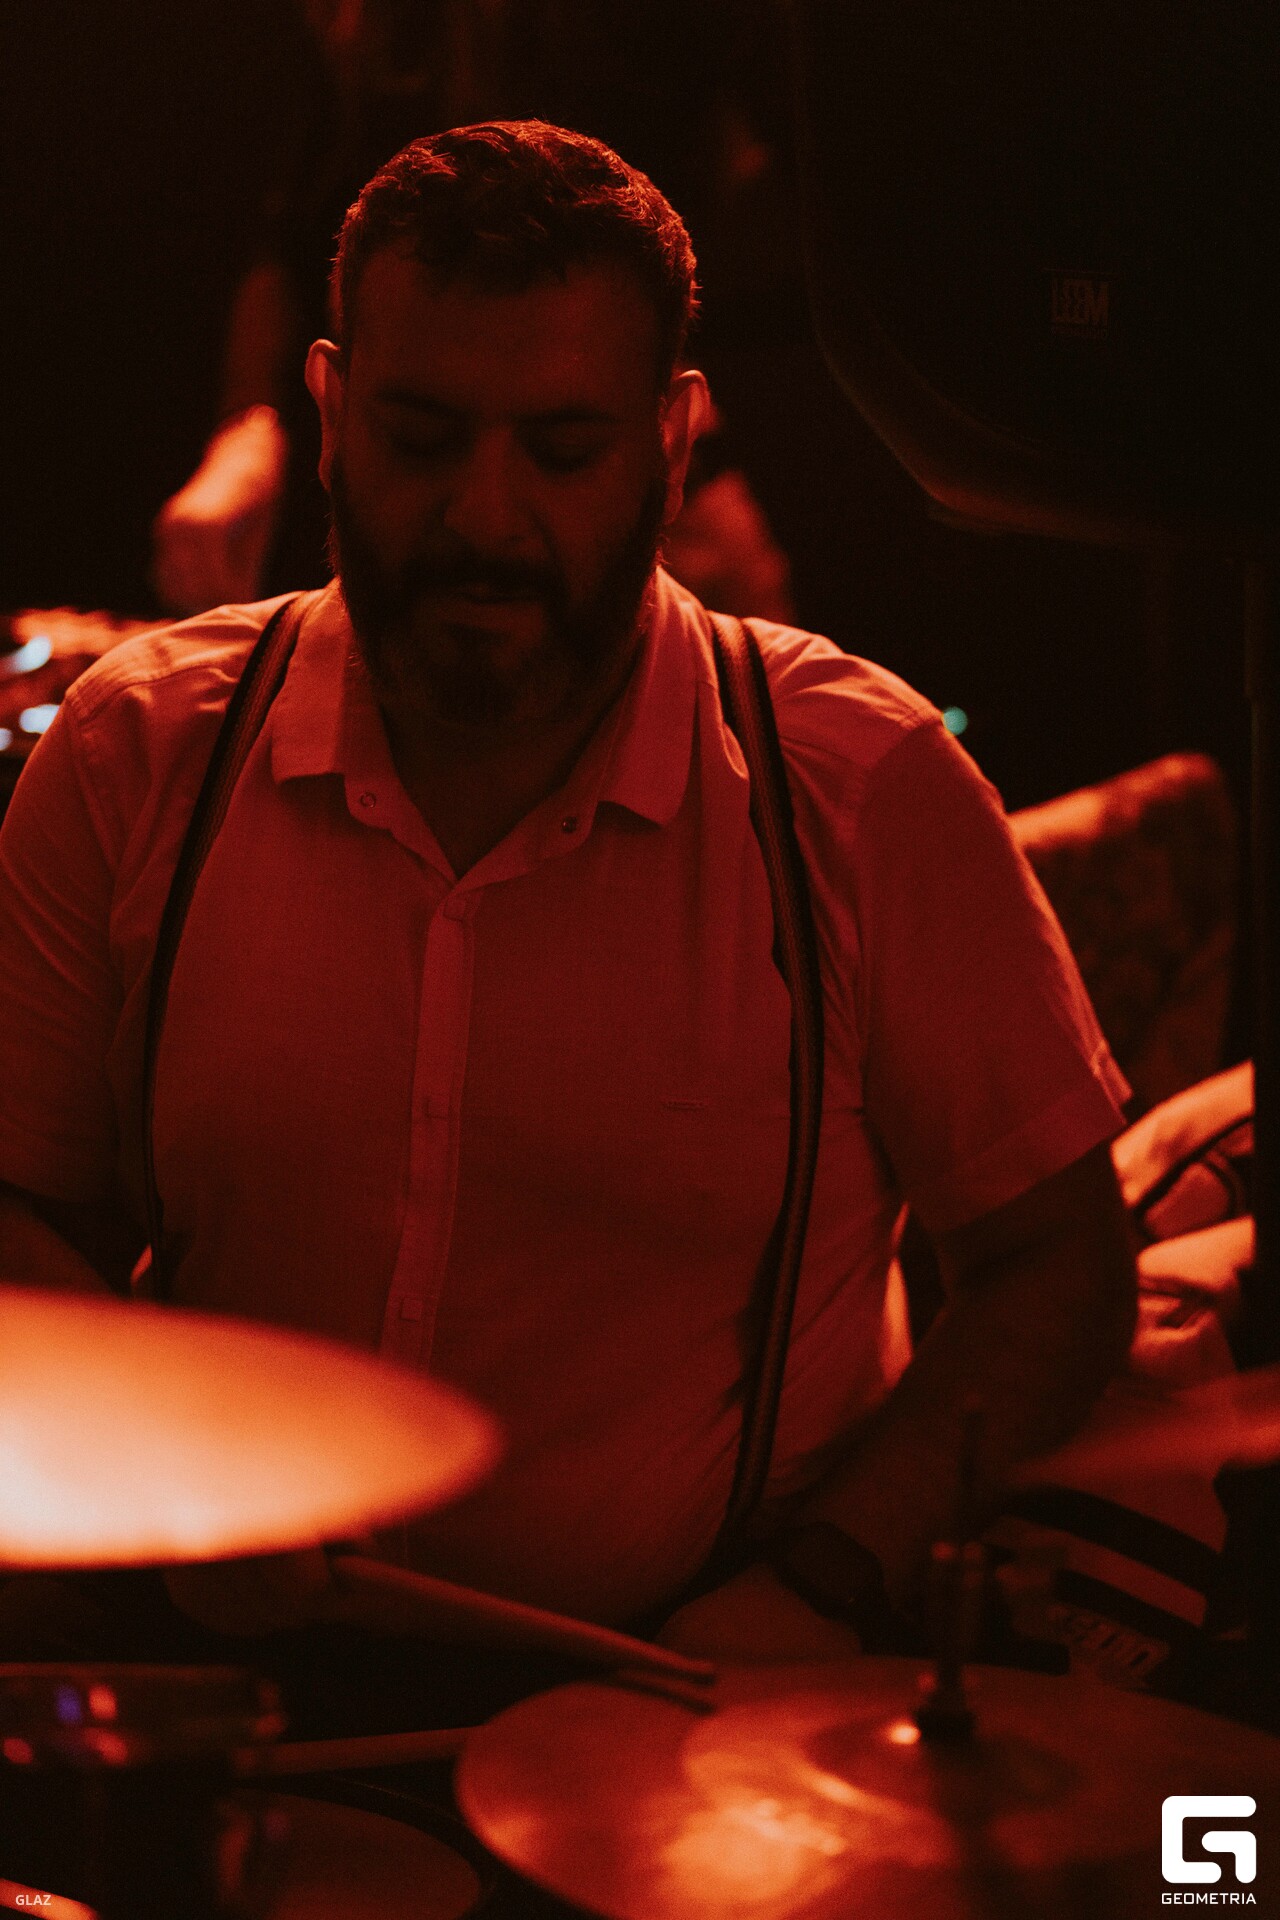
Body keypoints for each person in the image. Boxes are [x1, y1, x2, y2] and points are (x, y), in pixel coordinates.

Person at [0, 123, 1135, 1671]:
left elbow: (1057, 1267)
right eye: (420, 438)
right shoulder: (138, 750)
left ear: (674, 440)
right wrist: (164, 1460)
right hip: (225, 1689)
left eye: (561, 450)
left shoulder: (858, 787)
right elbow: (16, 1207)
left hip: (692, 1735)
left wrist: (824, 1582)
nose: (485, 517)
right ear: (327, 412)